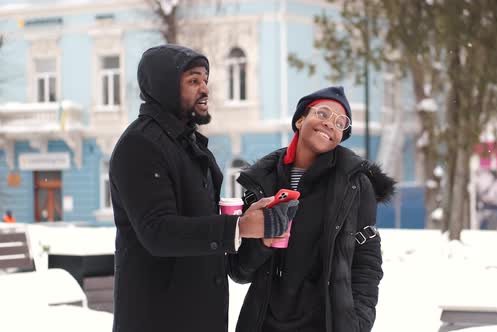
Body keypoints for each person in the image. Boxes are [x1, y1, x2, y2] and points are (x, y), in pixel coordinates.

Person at [109, 44, 290, 332]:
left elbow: (210, 243)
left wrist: (256, 235)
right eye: (193, 81)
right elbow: (158, 232)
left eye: (205, 80)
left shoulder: (190, 146)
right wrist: (239, 227)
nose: (204, 89)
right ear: (165, 86)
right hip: (158, 319)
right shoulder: (140, 146)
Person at [229, 86, 395, 332]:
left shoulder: (355, 184)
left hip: (326, 322)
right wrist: (263, 240)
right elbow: (241, 271)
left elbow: (366, 262)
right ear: (300, 119)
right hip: (264, 322)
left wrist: (357, 322)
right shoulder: (263, 182)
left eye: (341, 123)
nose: (330, 124)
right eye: (323, 113)